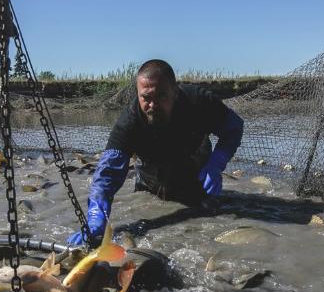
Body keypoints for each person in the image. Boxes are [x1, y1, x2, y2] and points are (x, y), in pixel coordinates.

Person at [68, 59, 244, 246]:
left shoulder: (199, 101)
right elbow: (107, 175)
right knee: (148, 204)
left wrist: (216, 163)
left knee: (207, 218)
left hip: (194, 166)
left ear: (175, 92)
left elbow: (233, 127)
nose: (153, 105)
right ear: (138, 93)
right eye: (146, 98)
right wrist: (96, 218)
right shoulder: (129, 123)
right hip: (151, 175)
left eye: (161, 96)